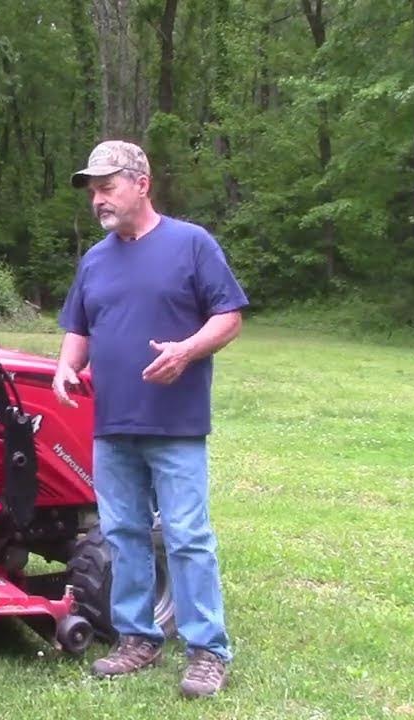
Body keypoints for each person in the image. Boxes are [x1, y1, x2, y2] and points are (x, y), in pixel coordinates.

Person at [52, 140, 248, 699]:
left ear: (142, 182)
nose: (98, 199)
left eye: (106, 186)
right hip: (112, 426)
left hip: (176, 425)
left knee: (186, 537)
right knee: (122, 534)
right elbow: (80, 327)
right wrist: (68, 367)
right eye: (93, 190)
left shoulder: (191, 244)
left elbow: (229, 317)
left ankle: (208, 649)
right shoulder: (95, 258)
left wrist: (186, 350)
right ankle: (138, 638)